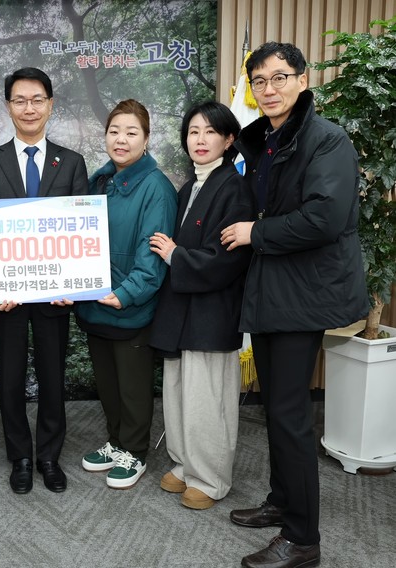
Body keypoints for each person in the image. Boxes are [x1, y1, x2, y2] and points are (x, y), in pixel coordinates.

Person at [221, 42, 368, 568]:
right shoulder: (265, 139)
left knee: (288, 416)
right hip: (271, 289)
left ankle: (303, 539)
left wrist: (255, 232)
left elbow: (324, 219)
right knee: (279, 410)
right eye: (259, 81)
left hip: (303, 294)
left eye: (280, 77)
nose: (269, 89)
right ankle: (282, 502)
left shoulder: (327, 140)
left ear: (303, 80)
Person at [0, 67, 88, 494]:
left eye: (37, 100)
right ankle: (20, 456)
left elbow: (80, 230)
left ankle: (49, 457)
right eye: (19, 100)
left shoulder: (72, 162)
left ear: (50, 105)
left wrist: (72, 283)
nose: (29, 108)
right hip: (7, 297)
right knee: (10, 379)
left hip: (55, 296)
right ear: (8, 107)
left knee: (53, 377)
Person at [149, 101, 256, 509]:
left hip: (213, 310)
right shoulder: (188, 187)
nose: (200, 139)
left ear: (229, 140)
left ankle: (210, 478)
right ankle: (184, 464)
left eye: (210, 131)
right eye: (193, 131)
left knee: (207, 400)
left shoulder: (234, 188)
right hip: (181, 308)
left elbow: (228, 258)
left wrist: (176, 255)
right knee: (179, 393)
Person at [75, 99, 177, 490]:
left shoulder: (156, 188)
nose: (121, 139)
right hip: (95, 305)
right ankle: (116, 442)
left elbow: (153, 253)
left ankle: (134, 451)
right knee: (109, 385)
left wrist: (127, 293)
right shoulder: (98, 182)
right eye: (114, 131)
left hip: (129, 306)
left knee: (133, 389)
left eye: (131, 132)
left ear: (146, 139)